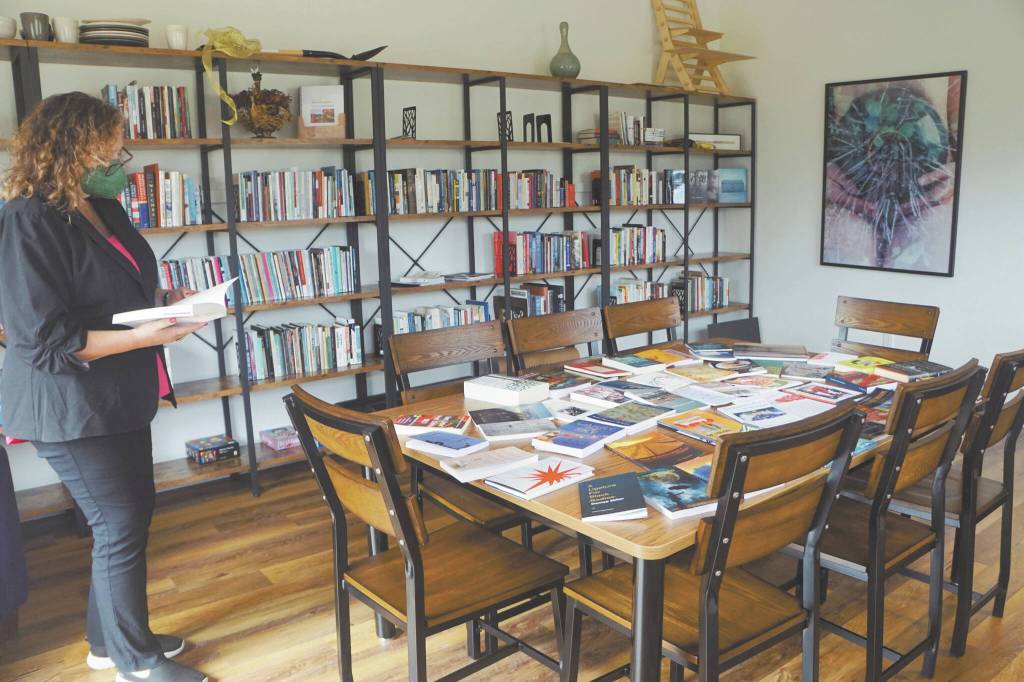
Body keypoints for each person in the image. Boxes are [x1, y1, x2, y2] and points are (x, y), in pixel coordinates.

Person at [0, 92, 209, 682]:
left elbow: (122, 294)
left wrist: (166, 305)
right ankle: (133, 662)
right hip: (66, 405)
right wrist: (153, 336)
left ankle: (110, 639)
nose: (122, 155)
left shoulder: (104, 208)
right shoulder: (27, 219)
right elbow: (43, 341)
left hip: (119, 396)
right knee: (117, 525)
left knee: (129, 519)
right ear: (71, 145)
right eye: (110, 143)